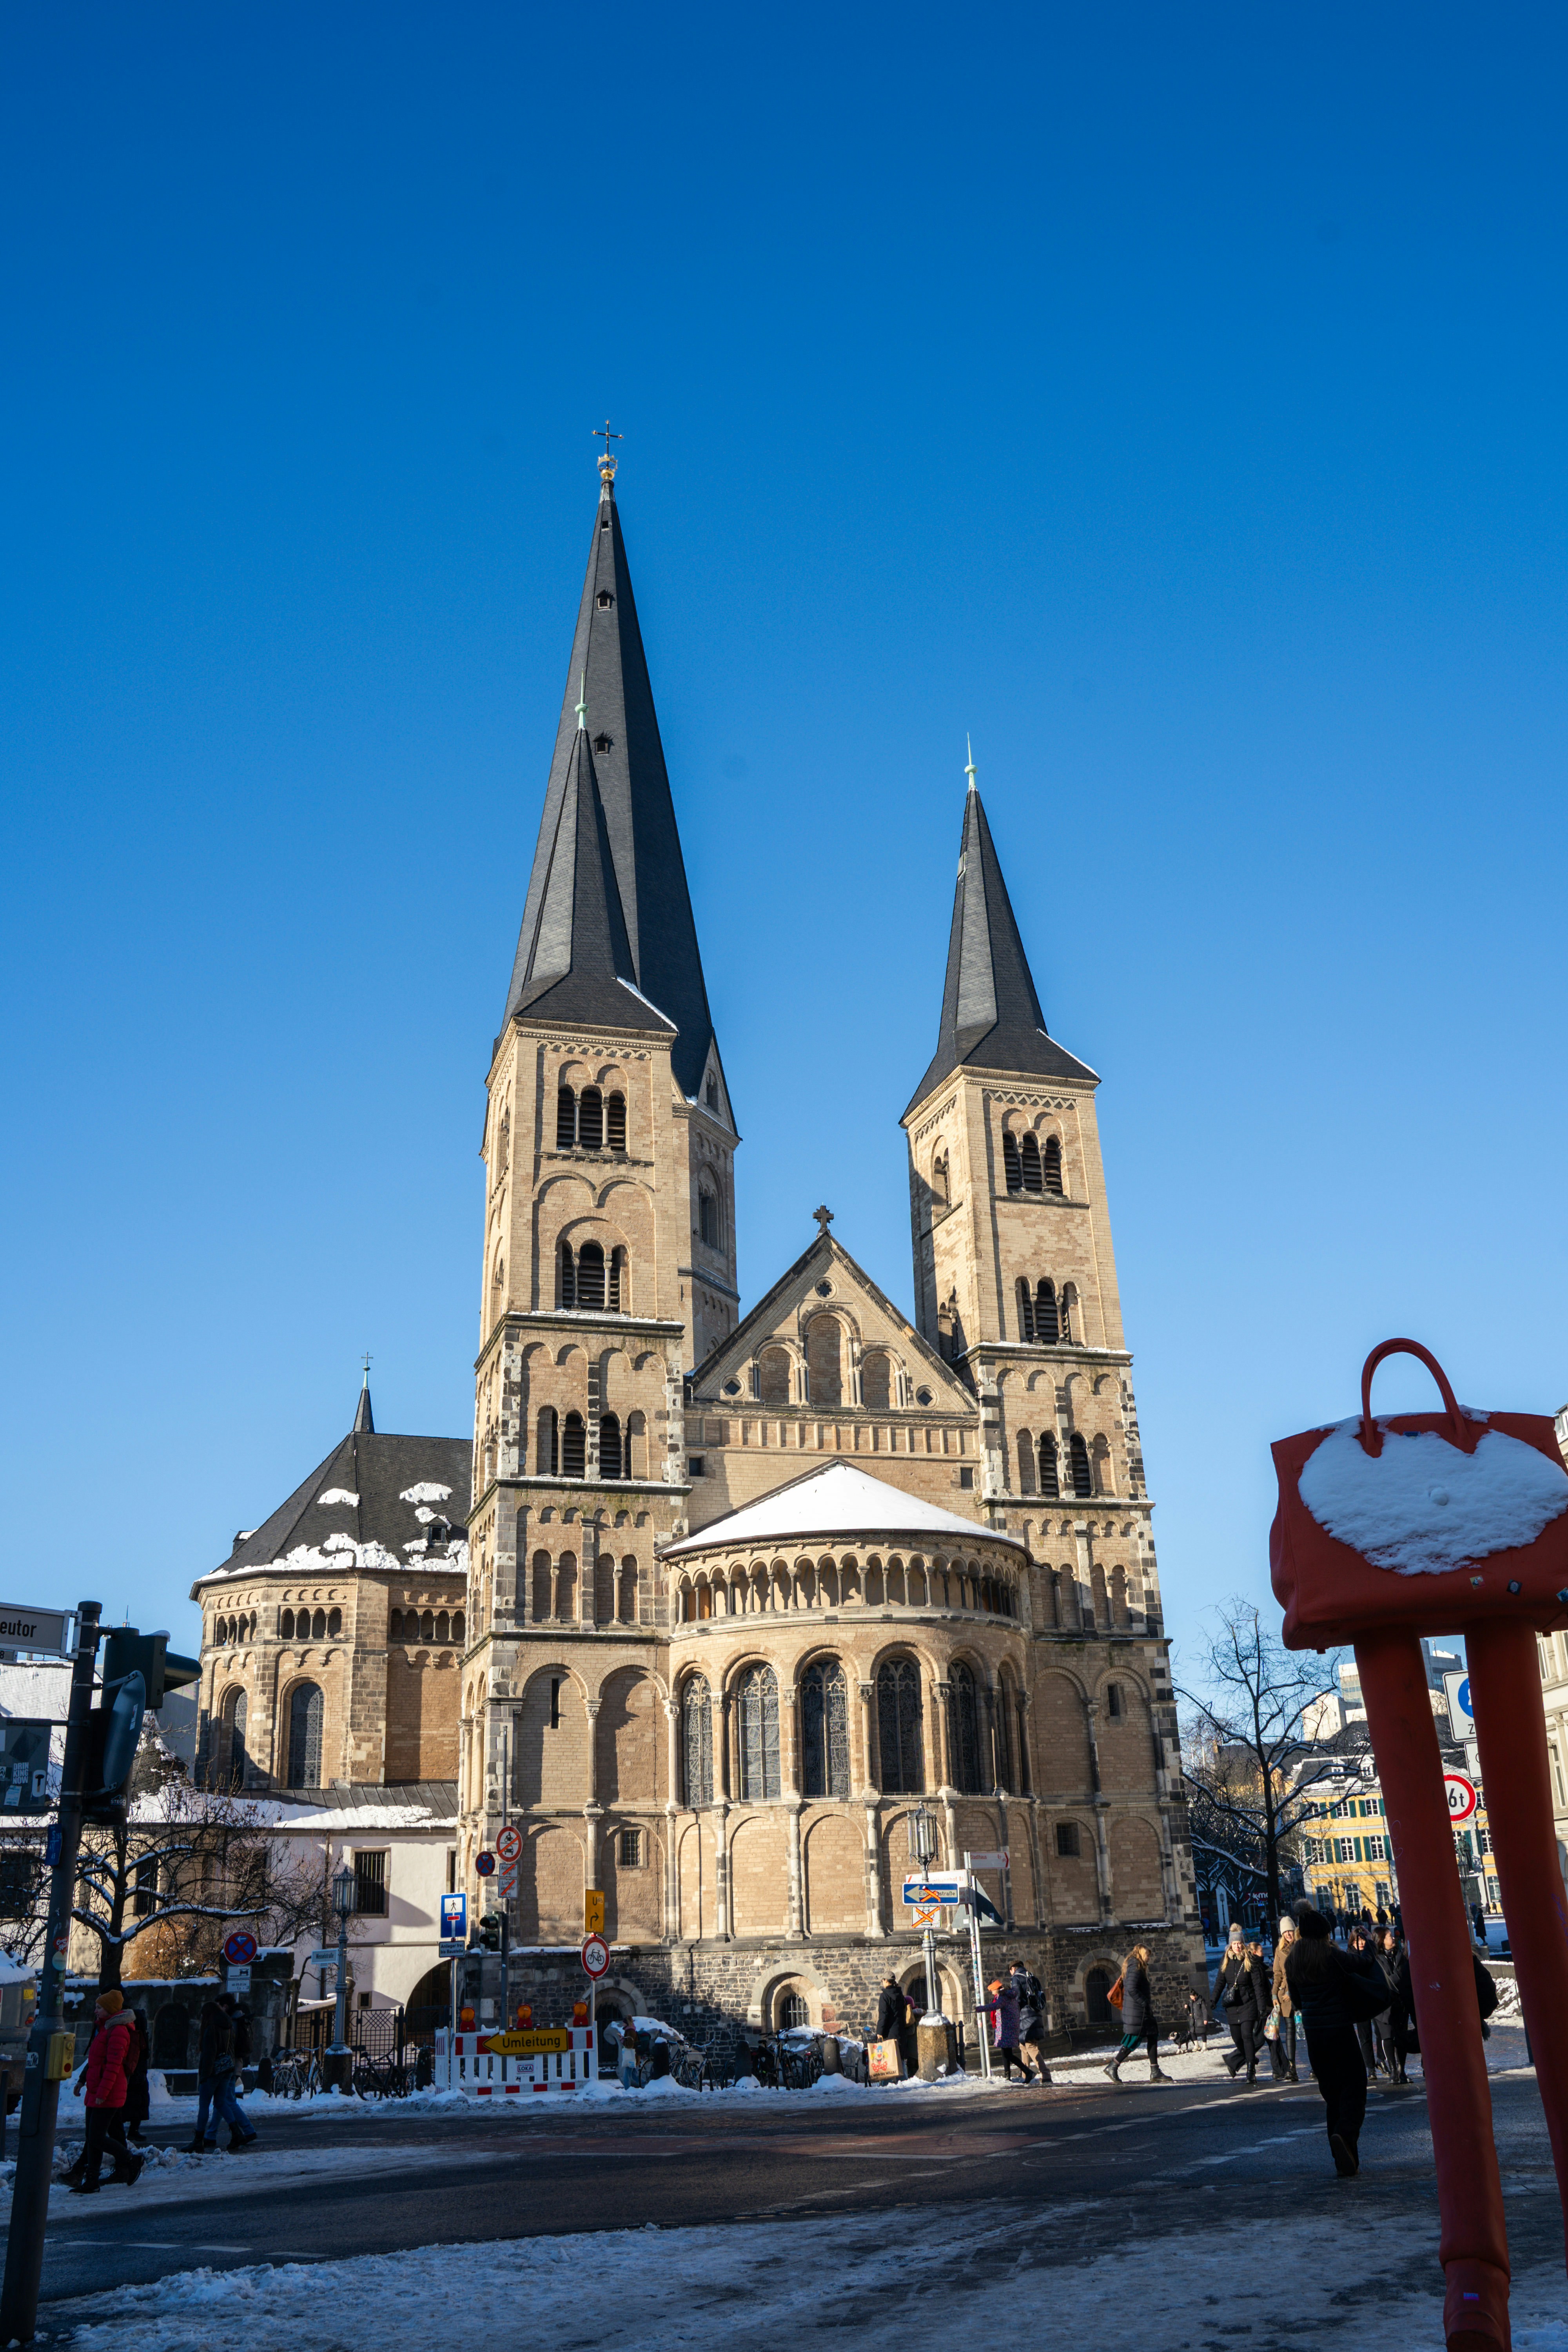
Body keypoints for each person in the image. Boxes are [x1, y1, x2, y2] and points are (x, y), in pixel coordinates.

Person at [1285, 1898, 1389, 2177]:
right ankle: (1345, 2134)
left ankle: (1345, 2157)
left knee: (1333, 2096)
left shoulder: (1293, 1960)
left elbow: (1297, 2001)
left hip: (1314, 2036)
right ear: (1324, 1933)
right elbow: (1361, 1963)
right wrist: (1368, 1944)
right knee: (1355, 2087)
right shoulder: (1330, 1955)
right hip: (1339, 2031)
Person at [63, 1991, 143, 2194]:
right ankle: (92, 2181)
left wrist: (103, 2093)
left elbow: (113, 2066)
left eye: (99, 2007)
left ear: (110, 2009)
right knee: (93, 2138)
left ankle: (132, 2159)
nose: (96, 2010)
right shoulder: (105, 2029)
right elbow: (96, 2061)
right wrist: (82, 2082)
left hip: (107, 2093)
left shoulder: (118, 2031)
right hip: (96, 2091)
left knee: (97, 2137)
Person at [1210, 1924, 1270, 2084]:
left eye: (1239, 1943)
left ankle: (1251, 2070)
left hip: (1248, 2003)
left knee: (1247, 2035)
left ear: (1243, 1944)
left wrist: (1261, 2007)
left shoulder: (1250, 1961)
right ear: (1230, 1945)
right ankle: (1251, 2058)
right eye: (1234, 1943)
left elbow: (1258, 1985)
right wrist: (1213, 2000)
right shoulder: (1226, 1961)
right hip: (1232, 2004)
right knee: (1237, 2038)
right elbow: (1219, 1983)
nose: (1237, 1946)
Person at [1103, 1945, 1170, 2084]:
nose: (1149, 1958)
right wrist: (1144, 2002)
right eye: (1148, 1955)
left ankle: (1155, 2071)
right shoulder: (1135, 1966)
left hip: (1139, 2011)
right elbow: (1132, 1989)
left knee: (1153, 2035)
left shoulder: (1134, 1965)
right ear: (1141, 1954)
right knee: (1133, 2040)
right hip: (1138, 2011)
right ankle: (1113, 2065)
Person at [216, 1992, 258, 2149]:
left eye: (219, 2006)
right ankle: (210, 2134)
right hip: (236, 2066)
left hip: (230, 2067)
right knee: (223, 2102)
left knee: (229, 2102)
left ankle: (248, 2130)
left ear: (225, 2006)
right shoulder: (239, 2019)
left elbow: (228, 2046)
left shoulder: (232, 2022)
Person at [1270, 1915, 1301, 2083]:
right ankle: (1292, 2068)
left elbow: (1302, 1972)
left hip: (1300, 1994)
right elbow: (1278, 1974)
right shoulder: (1280, 1951)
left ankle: (1316, 2067)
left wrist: (1292, 1990)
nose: (1289, 1934)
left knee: (1308, 2031)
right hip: (1286, 1997)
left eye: (1291, 1930)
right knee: (1290, 2030)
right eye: (1286, 1932)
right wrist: (1275, 1994)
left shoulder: (1301, 1946)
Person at [1010, 1962, 1052, 2085]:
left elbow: (1017, 1998)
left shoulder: (1016, 1978)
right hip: (1035, 2014)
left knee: (1031, 2046)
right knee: (1023, 2046)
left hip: (1025, 2017)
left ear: (1013, 1969)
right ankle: (1025, 2074)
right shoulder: (1031, 1976)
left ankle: (1046, 2074)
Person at [984, 1978, 1024, 2080]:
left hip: (1007, 2027)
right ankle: (1008, 2075)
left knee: (1008, 2054)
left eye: (992, 1990)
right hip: (1003, 2027)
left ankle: (1027, 2071)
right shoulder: (1000, 1996)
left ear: (996, 1988)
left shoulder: (1004, 1997)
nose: (992, 1993)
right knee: (1006, 2053)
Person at [122, 2008, 151, 2145]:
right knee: (135, 2103)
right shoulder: (138, 2035)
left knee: (133, 2102)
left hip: (136, 2072)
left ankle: (131, 2130)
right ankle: (132, 2130)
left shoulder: (136, 2034)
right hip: (137, 2072)